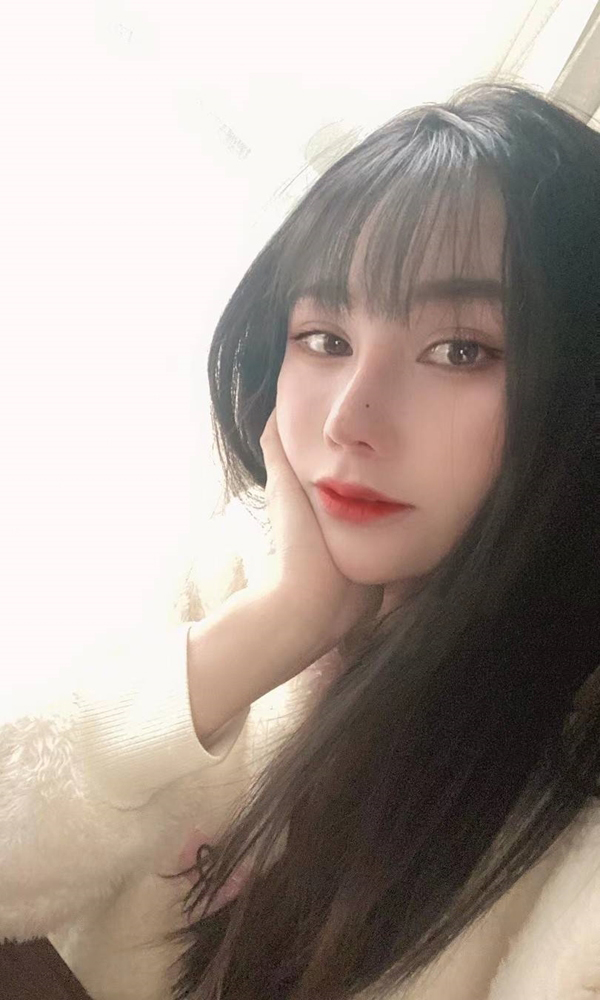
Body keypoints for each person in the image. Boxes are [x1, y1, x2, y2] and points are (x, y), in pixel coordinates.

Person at [0, 80, 598, 1000]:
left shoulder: (568, 836)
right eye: (324, 336)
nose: (351, 418)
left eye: (462, 351)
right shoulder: (232, 582)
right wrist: (280, 624)